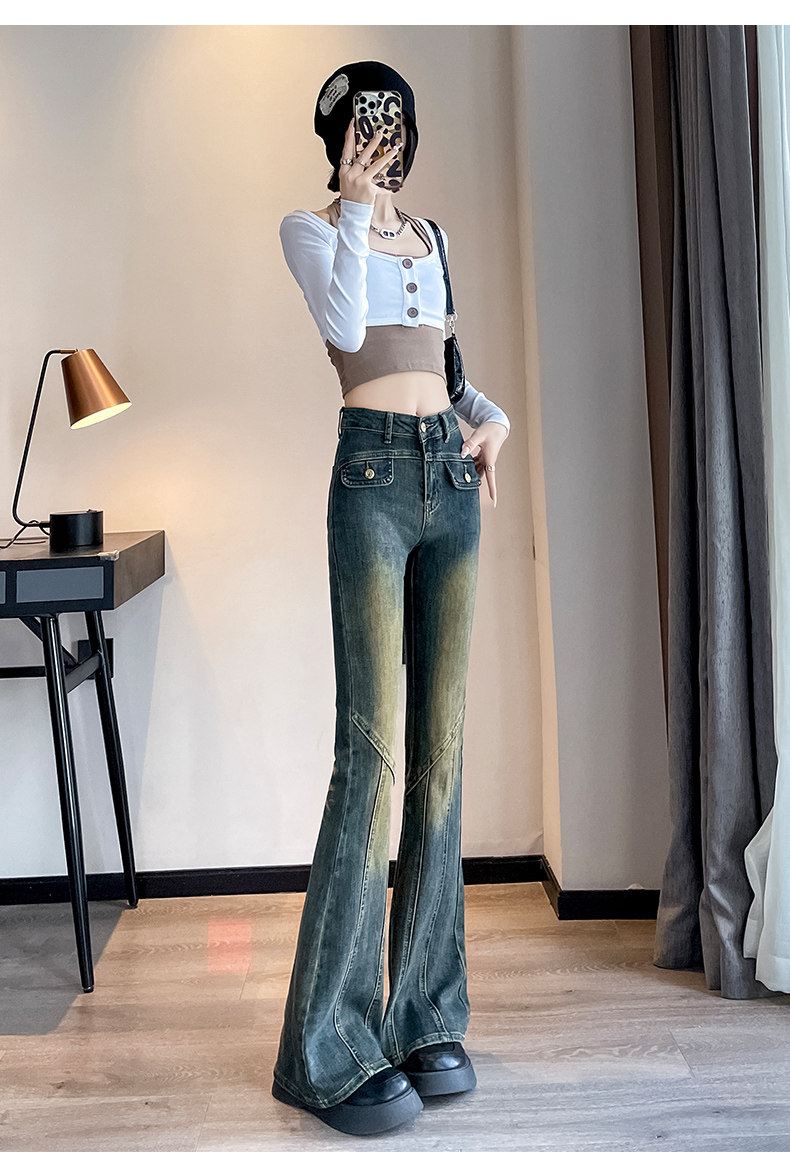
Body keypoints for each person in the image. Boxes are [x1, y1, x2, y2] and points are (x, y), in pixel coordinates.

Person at [271, 61, 511, 1136]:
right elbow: (344, 327)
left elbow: (445, 368)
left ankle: (423, 1015)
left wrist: (491, 420)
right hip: (369, 478)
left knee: (440, 755)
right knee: (369, 757)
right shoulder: (313, 229)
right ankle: (325, 1048)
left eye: (394, 120)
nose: (382, 134)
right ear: (337, 133)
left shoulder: (435, 236)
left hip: (449, 480)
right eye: (364, 120)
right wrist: (357, 207)